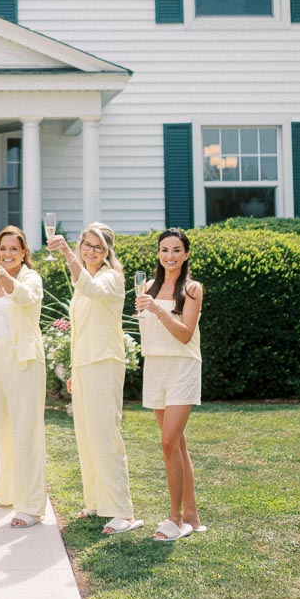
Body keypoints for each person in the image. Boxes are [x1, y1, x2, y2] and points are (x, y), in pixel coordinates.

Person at [49, 225, 141, 535]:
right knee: (86, 434)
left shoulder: (112, 278)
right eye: (85, 245)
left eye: (97, 247)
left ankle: (123, 511)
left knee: (105, 434)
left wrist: (64, 254)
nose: (90, 251)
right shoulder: (84, 280)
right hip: (86, 364)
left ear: (107, 252)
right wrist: (75, 370)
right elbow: (81, 329)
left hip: (105, 362)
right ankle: (97, 502)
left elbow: (91, 289)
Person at [135, 227, 206, 542]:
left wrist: (156, 310)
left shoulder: (192, 289)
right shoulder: (148, 287)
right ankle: (192, 515)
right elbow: (147, 330)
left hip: (182, 367)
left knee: (168, 442)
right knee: (177, 444)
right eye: (165, 250)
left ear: (186, 254)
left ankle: (175, 518)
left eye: (176, 250)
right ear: (158, 254)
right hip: (156, 366)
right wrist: (146, 311)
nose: (170, 256)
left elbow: (185, 334)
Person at [0, 226, 46, 528]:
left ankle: (30, 506)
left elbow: (25, 299)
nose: (6, 254)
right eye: (2, 248)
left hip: (23, 361)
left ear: (23, 252)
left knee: (24, 431)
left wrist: (2, 274)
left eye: (13, 249)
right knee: (0, 430)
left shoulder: (30, 278)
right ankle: (6, 491)